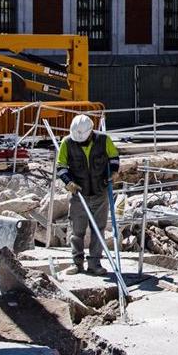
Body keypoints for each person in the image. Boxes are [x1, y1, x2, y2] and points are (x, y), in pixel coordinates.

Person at [57, 113, 121, 276]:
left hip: (100, 192)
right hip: (79, 193)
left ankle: (94, 264)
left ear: (91, 131)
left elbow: (114, 157)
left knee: (98, 230)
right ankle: (77, 263)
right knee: (77, 231)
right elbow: (61, 166)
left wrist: (114, 172)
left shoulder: (104, 140)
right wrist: (68, 182)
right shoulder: (67, 143)